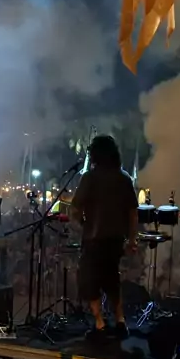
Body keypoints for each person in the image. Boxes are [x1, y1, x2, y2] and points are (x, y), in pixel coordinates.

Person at [72, 134, 138, 341]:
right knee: (111, 279)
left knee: (89, 280)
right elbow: (133, 213)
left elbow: (75, 208)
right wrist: (132, 239)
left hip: (94, 238)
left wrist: (82, 223)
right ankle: (120, 321)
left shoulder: (89, 178)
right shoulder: (124, 178)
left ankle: (100, 323)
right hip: (116, 239)